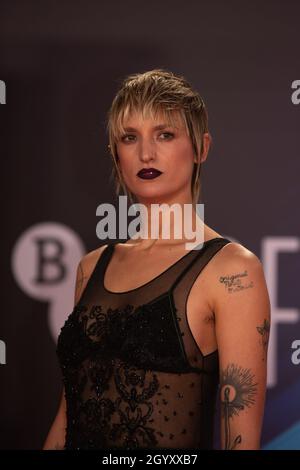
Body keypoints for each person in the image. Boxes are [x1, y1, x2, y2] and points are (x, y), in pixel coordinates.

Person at [43, 69, 271, 450]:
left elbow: (242, 440)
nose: (146, 153)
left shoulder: (233, 270)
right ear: (116, 154)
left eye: (165, 135)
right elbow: (67, 415)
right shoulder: (91, 267)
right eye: (130, 138)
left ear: (202, 147)